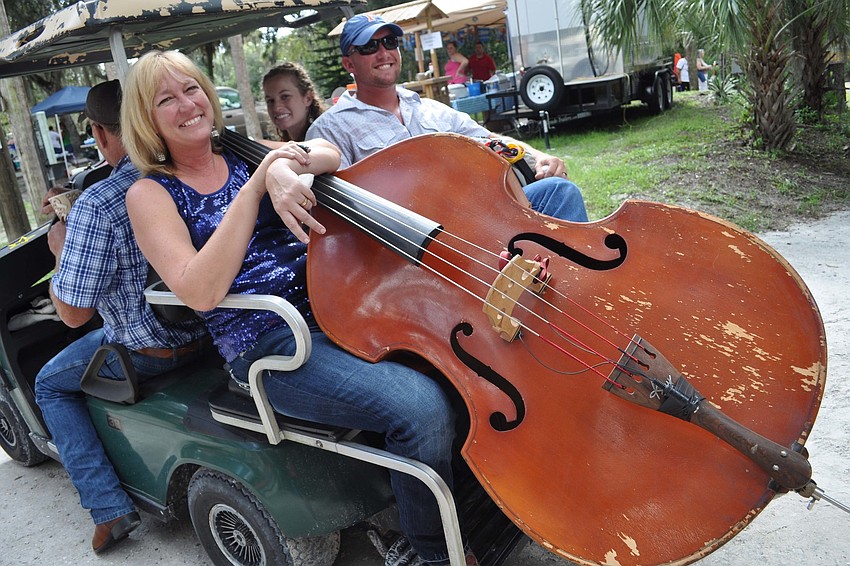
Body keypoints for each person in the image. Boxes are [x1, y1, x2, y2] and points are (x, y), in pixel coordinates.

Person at [121, 50, 475, 566]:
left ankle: (486, 498)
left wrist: (286, 164)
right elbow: (200, 292)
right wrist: (257, 186)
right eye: (166, 100)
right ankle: (434, 553)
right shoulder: (149, 193)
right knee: (420, 408)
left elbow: (329, 150)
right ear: (146, 119)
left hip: (342, 306)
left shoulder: (245, 150)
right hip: (273, 345)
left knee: (460, 363)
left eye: (192, 89)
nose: (187, 104)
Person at [35, 80, 207, 555]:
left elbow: (73, 314)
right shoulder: (193, 168)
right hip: (214, 331)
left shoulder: (99, 205)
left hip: (150, 350)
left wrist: (60, 250)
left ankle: (108, 508)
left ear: (98, 132)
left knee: (49, 384)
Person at [307, 14, 588, 223]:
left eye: (389, 42)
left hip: (476, 214)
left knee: (559, 191)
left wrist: (539, 157)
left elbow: (489, 139)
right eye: (369, 47)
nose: (383, 53)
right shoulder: (331, 128)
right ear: (349, 63)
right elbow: (340, 213)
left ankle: (578, 283)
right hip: (416, 243)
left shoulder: (429, 108)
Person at [262, 61, 325, 142]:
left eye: (285, 97)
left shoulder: (322, 138)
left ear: (308, 98)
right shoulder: (285, 143)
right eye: (270, 101)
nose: (276, 108)